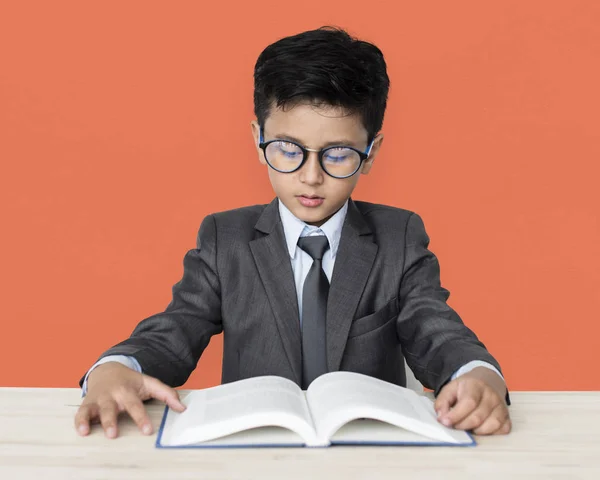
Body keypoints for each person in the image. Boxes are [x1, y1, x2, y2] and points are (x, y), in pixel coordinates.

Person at [74, 26, 511, 440]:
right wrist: (113, 368)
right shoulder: (225, 239)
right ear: (258, 140)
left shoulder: (399, 236)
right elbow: (175, 330)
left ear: (371, 152)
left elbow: (436, 331)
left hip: (370, 451)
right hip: (255, 448)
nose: (311, 177)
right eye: (287, 150)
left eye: (338, 155)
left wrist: (476, 373)